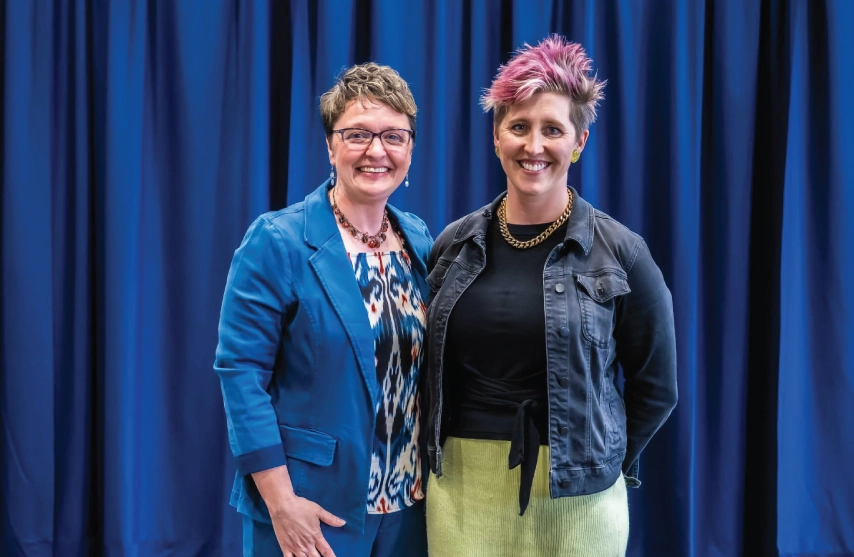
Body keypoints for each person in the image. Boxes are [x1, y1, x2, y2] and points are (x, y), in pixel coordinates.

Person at [423, 35, 678, 556]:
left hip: (581, 500)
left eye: (553, 129)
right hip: (461, 491)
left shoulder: (622, 252)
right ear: (497, 137)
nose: (533, 146)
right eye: (519, 127)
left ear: (579, 141)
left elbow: (657, 387)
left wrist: (598, 461)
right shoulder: (453, 244)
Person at [215, 62, 432, 557]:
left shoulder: (418, 239)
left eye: (394, 136)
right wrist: (281, 503)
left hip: (408, 507)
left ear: (410, 149)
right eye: (357, 135)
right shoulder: (278, 240)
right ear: (331, 148)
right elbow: (241, 374)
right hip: (313, 508)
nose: (377, 151)